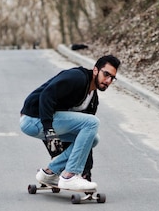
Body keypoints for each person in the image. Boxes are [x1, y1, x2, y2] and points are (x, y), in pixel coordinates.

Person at [19, 54, 121, 191]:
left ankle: (49, 173)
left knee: (93, 139)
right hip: (33, 118)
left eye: (112, 78)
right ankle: (69, 176)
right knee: (92, 122)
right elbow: (46, 95)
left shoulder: (92, 101)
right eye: (106, 74)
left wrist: (86, 174)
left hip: (45, 122)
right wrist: (49, 131)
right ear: (96, 70)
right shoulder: (77, 77)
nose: (108, 80)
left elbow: (84, 139)